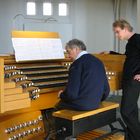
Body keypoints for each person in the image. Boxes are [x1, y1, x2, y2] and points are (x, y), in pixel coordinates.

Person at [55, 39, 110, 111]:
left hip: (82, 105)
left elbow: (72, 95)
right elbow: (106, 90)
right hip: (95, 103)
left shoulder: (77, 64)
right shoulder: (98, 61)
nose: (68, 56)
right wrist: (96, 100)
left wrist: (61, 95)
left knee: (58, 106)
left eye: (68, 52)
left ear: (75, 49)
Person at [111, 19, 140, 140]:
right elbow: (129, 58)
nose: (116, 35)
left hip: (134, 80)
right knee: (131, 111)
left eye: (117, 32)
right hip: (129, 80)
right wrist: (111, 53)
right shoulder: (130, 42)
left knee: (126, 111)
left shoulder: (138, 39)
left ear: (125, 28)